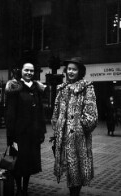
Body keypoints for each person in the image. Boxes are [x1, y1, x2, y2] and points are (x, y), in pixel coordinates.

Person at [51, 57, 98, 196]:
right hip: (63, 137)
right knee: (68, 169)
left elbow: (92, 115)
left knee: (76, 171)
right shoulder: (62, 89)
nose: (71, 72)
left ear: (80, 71)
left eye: (74, 69)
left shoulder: (86, 88)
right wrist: (57, 128)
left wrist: (79, 128)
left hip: (78, 139)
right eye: (69, 69)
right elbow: (56, 111)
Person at [5, 62, 47, 196]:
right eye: (26, 70)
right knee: (17, 162)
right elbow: (10, 113)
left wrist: (42, 131)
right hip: (19, 133)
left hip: (33, 133)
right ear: (21, 71)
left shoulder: (36, 88)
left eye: (31, 71)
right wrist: (10, 135)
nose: (29, 73)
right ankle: (19, 189)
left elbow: (40, 111)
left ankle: (25, 188)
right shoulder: (15, 87)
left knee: (29, 162)